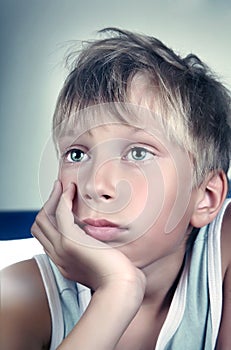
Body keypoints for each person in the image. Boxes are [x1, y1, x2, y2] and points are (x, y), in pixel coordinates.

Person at [1, 28, 231, 350]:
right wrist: (118, 291)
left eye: (138, 153)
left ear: (206, 197)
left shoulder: (223, 249)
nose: (96, 185)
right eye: (77, 154)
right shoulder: (16, 295)